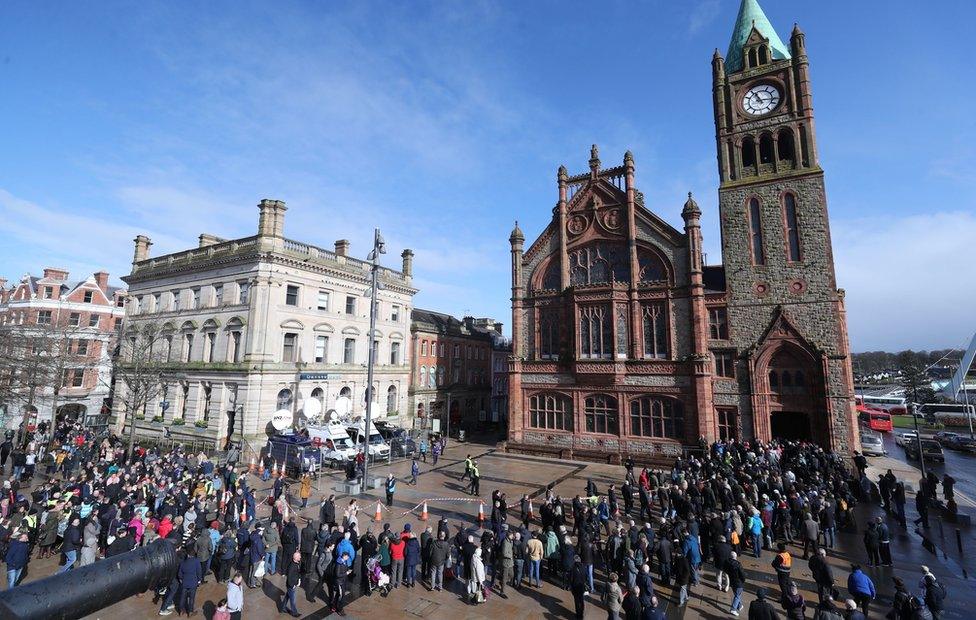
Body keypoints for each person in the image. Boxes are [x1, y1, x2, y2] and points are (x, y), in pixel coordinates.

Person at [178, 545, 203, 616]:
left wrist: (181, 579)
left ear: (188, 554)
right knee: (192, 598)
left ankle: (181, 610)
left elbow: (180, 574)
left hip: (184, 582)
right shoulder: (196, 561)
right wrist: (199, 580)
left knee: (182, 597)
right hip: (193, 582)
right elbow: (199, 571)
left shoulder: (183, 562)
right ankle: (190, 612)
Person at [326, 550, 350, 617]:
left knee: (339, 594)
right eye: (347, 557)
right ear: (344, 556)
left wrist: (347, 571)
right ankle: (339, 609)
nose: (348, 558)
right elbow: (337, 574)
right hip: (339, 582)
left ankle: (334, 605)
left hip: (342, 581)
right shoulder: (339, 563)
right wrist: (346, 573)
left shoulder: (344, 561)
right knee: (342, 595)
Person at [279, 550, 302, 617]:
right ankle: (294, 613)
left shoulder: (296, 563)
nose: (300, 557)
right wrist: (292, 586)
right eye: (299, 556)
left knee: (287, 596)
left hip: (292, 584)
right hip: (291, 585)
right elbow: (289, 577)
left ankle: (282, 608)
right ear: (296, 558)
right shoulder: (292, 566)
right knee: (293, 600)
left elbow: (297, 573)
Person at [727, 551, 746, 616]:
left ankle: (739, 606)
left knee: (737, 594)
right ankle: (733, 609)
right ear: (736, 557)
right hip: (738, 582)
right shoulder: (738, 564)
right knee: (737, 596)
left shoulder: (727, 562)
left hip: (732, 581)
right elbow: (742, 574)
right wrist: (743, 580)